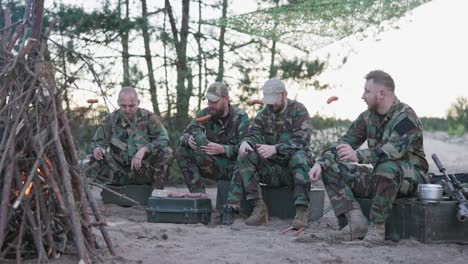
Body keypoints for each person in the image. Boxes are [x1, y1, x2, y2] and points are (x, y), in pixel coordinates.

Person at [309, 70, 428, 242]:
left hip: (411, 180)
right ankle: (355, 222)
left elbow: (393, 150)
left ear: (381, 93)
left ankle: (377, 228)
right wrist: (321, 162)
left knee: (387, 166)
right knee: (332, 168)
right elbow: (345, 142)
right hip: (381, 177)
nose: (362, 96)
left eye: (367, 91)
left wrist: (357, 156)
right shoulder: (367, 117)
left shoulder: (406, 117)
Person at [222, 78, 313, 229]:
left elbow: (302, 141)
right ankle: (259, 207)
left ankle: (301, 211)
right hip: (272, 171)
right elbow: (253, 134)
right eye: (268, 101)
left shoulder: (298, 111)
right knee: (245, 154)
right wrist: (247, 142)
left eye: (274, 100)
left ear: (284, 94)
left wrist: (276, 148)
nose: (271, 104)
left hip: (294, 172)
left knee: (300, 156)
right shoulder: (264, 115)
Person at [87, 87, 173, 190]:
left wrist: (145, 149)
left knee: (167, 152)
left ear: (138, 102)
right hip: (117, 170)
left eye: (131, 106)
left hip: (142, 168)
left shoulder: (149, 117)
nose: (127, 110)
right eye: (123, 106)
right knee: (97, 155)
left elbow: (164, 139)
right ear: (118, 103)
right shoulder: (111, 119)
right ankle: (88, 192)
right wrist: (97, 148)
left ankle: (156, 192)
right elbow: (97, 142)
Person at [175, 82, 250, 194]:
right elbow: (183, 135)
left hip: (235, 168)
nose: (210, 105)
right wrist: (187, 139)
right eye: (209, 101)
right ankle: (199, 196)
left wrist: (224, 149)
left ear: (226, 99)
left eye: (214, 102)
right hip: (213, 164)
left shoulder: (240, 117)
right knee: (181, 151)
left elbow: (247, 148)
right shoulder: (205, 113)